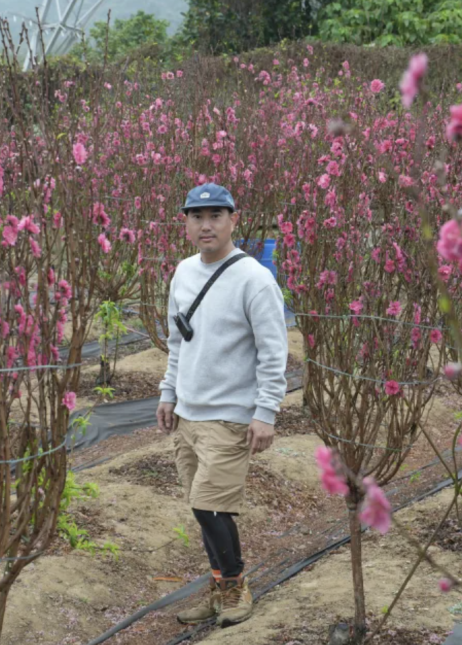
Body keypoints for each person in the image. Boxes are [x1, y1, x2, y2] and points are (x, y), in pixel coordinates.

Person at [157, 183, 288, 628]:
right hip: (188, 414)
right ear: (187, 223)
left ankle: (234, 586)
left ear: (234, 219)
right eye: (197, 216)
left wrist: (265, 412)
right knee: (201, 506)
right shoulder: (183, 272)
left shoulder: (254, 279)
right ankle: (219, 585)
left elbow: (274, 352)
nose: (206, 224)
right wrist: (167, 392)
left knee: (211, 506)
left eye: (215, 215)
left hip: (229, 416)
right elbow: (178, 341)